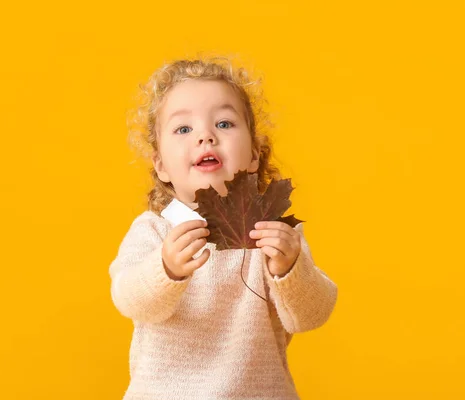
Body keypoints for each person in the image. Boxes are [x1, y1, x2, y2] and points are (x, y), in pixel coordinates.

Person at [109, 56, 338, 399]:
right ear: (161, 166)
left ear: (254, 156)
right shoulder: (156, 230)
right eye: (183, 129)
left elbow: (310, 316)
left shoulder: (271, 233)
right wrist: (165, 268)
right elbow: (130, 300)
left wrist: (289, 269)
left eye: (225, 124)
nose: (206, 136)